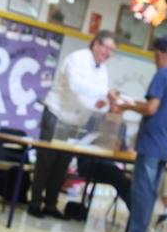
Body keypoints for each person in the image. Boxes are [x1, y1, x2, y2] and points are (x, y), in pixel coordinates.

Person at [108, 34, 167, 232]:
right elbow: (159, 106)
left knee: (142, 191)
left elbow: (151, 108)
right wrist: (130, 100)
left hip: (152, 142)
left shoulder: (162, 75)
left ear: (158, 53)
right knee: (151, 190)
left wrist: (126, 107)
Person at [30, 32, 118, 218]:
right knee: (46, 162)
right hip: (57, 114)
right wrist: (104, 93)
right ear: (96, 44)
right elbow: (76, 86)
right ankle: (35, 203)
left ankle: (51, 205)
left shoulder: (102, 69)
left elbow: (97, 99)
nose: (109, 53)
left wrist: (103, 104)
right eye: (107, 48)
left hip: (76, 121)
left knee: (62, 165)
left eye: (113, 51)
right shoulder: (77, 58)